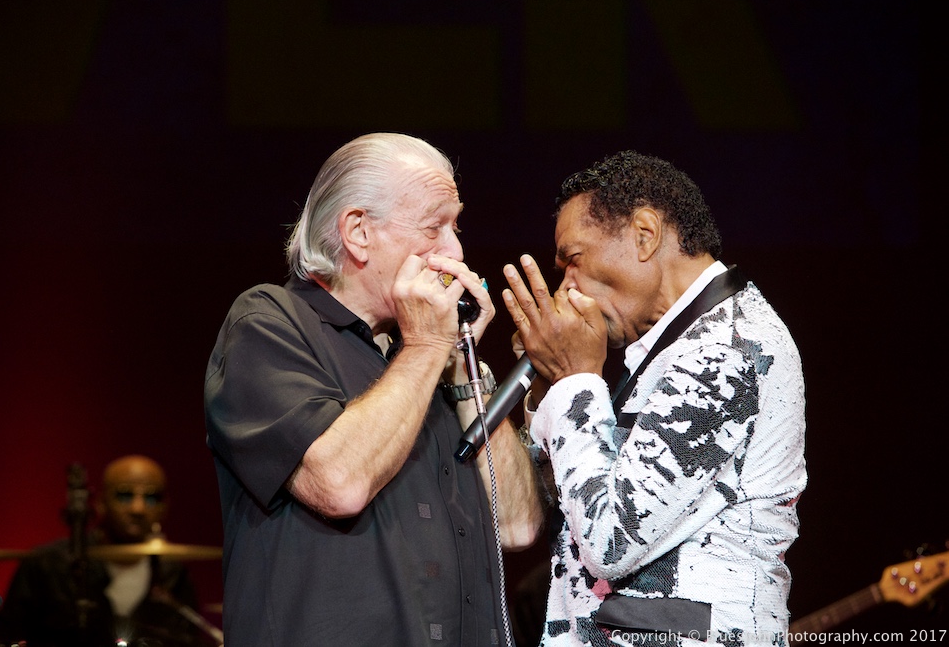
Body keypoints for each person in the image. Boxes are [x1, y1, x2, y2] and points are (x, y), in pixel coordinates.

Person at [204, 132, 544, 645]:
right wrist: (428, 344)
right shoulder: (269, 322)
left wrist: (460, 366)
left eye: (456, 225)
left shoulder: (431, 359)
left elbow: (518, 525)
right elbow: (339, 483)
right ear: (359, 232)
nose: (455, 250)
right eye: (435, 226)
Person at [501, 150, 807, 646]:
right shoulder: (672, 350)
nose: (566, 287)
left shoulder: (730, 349)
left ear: (645, 235)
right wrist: (548, 384)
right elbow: (559, 509)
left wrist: (577, 378)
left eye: (573, 260)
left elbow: (610, 540)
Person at [0, 455, 212, 647]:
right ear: (101, 502)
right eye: (125, 495)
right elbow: (8, 637)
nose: (138, 508)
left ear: (165, 507)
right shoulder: (46, 565)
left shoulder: (173, 574)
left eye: (151, 497)